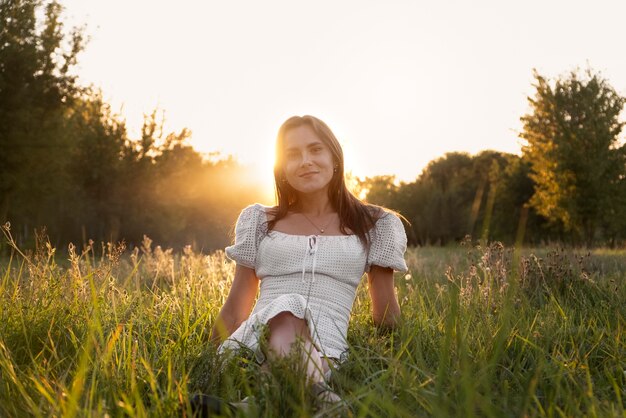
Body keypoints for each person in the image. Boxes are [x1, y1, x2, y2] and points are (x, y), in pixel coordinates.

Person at [195, 115, 407, 414]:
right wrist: (208, 360)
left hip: (329, 349)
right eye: (292, 155)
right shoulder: (260, 221)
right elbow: (235, 308)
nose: (305, 161)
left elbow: (385, 313)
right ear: (282, 169)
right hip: (257, 341)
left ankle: (248, 408)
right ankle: (325, 400)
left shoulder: (377, 224)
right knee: (286, 309)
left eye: (315, 149)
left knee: (292, 325)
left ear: (335, 157)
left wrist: (398, 357)